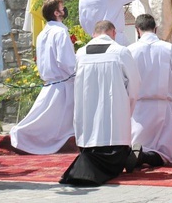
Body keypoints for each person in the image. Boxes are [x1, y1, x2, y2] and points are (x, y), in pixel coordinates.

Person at [60, 20, 141, 186]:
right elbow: (135, 83)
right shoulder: (120, 52)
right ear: (113, 32)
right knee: (115, 148)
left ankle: (87, 164)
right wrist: (128, 108)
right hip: (114, 119)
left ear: (94, 34)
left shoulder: (81, 53)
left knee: (91, 141)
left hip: (87, 117)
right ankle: (129, 158)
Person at [11, 0, 76, 154]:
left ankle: (25, 136)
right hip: (63, 82)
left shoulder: (42, 33)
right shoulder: (60, 31)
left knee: (46, 117)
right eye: (62, 7)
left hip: (51, 81)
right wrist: (76, 74)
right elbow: (65, 60)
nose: (65, 10)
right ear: (56, 12)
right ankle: (25, 138)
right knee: (51, 122)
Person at [127, 14, 172, 169]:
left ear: (137, 30)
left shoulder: (129, 50)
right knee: (167, 153)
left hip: (138, 108)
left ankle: (140, 155)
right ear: (156, 29)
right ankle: (145, 156)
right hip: (163, 106)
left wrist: (128, 105)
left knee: (137, 142)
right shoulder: (170, 49)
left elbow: (125, 81)